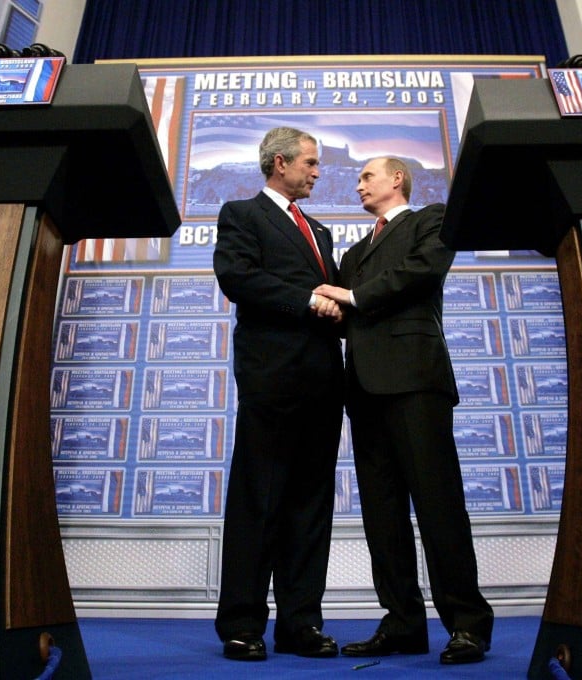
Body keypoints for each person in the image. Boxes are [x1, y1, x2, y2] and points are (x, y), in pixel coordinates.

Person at [314, 157, 494, 665]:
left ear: (397, 179)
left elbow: (422, 271)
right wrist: (330, 304)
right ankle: (402, 623)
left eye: (366, 176)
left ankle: (467, 625)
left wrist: (349, 295)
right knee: (382, 514)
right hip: (365, 390)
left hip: (416, 383)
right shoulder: (354, 251)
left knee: (438, 506)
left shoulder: (431, 220)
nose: (358, 184)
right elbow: (343, 309)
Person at [212, 127, 345, 662]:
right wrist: (309, 299)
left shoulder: (320, 231)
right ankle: (242, 625)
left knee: (311, 506)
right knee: (258, 501)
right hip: (272, 379)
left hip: (322, 382)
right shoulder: (242, 214)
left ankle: (301, 625)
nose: (317, 172)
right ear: (281, 163)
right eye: (310, 163)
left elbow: (334, 298)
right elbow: (237, 278)